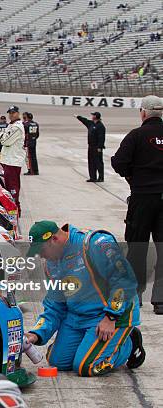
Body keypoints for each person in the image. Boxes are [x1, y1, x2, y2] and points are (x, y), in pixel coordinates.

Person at [24, 221, 145, 376]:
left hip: (109, 315)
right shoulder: (50, 265)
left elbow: (124, 279)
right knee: (57, 361)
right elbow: (55, 305)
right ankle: (92, 344)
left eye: (41, 250)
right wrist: (36, 333)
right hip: (77, 317)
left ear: (54, 239)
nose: (40, 256)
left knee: (87, 367)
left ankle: (128, 343)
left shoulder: (95, 244)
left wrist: (111, 316)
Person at [111, 95, 163, 313]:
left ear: (143, 113)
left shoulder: (137, 135)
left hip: (142, 197)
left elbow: (118, 161)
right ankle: (160, 300)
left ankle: (135, 296)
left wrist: (132, 176)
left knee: (137, 248)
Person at [0, 106, 26, 214]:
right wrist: (3, 137)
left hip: (12, 161)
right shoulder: (12, 125)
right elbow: (4, 139)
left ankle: (15, 210)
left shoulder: (17, 127)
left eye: (13, 113)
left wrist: (1, 136)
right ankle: (12, 209)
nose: (11, 114)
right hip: (9, 160)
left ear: (18, 113)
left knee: (13, 188)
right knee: (10, 186)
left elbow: (5, 141)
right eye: (10, 113)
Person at [76, 112, 106, 182]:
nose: (92, 116)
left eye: (93, 115)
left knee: (98, 162)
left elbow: (102, 137)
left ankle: (101, 178)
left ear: (96, 116)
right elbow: (85, 120)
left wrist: (100, 147)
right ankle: (93, 177)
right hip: (91, 146)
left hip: (97, 147)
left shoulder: (101, 126)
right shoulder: (91, 123)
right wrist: (78, 117)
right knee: (91, 162)